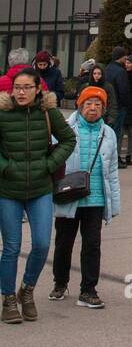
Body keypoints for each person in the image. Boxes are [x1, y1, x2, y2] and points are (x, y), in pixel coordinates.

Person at [0, 68, 76, 324]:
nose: (20, 92)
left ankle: (27, 289)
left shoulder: (48, 112)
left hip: (39, 189)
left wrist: (48, 164)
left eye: (26, 87)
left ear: (37, 89)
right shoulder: (3, 113)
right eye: (17, 87)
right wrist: (6, 167)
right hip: (8, 190)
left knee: (42, 244)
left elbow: (68, 140)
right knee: (11, 247)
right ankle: (9, 299)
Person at [49, 86, 120, 309]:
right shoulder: (65, 129)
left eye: (98, 105)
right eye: (88, 104)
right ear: (80, 106)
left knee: (92, 245)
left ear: (103, 109)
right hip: (69, 194)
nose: (93, 108)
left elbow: (113, 171)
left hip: (96, 198)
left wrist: (114, 203)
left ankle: (88, 290)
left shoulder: (109, 133)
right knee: (63, 243)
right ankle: (60, 283)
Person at [105, 49, 131, 167]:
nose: (126, 60)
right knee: (117, 133)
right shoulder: (121, 72)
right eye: (125, 58)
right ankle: (115, 158)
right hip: (119, 106)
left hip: (107, 106)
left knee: (108, 133)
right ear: (120, 57)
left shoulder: (107, 69)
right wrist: (126, 104)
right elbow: (123, 91)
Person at [84, 64, 117, 129]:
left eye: (99, 74)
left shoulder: (108, 87)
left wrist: (111, 120)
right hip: (88, 118)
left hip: (103, 119)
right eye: (94, 73)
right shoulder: (87, 86)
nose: (96, 76)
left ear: (102, 74)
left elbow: (112, 104)